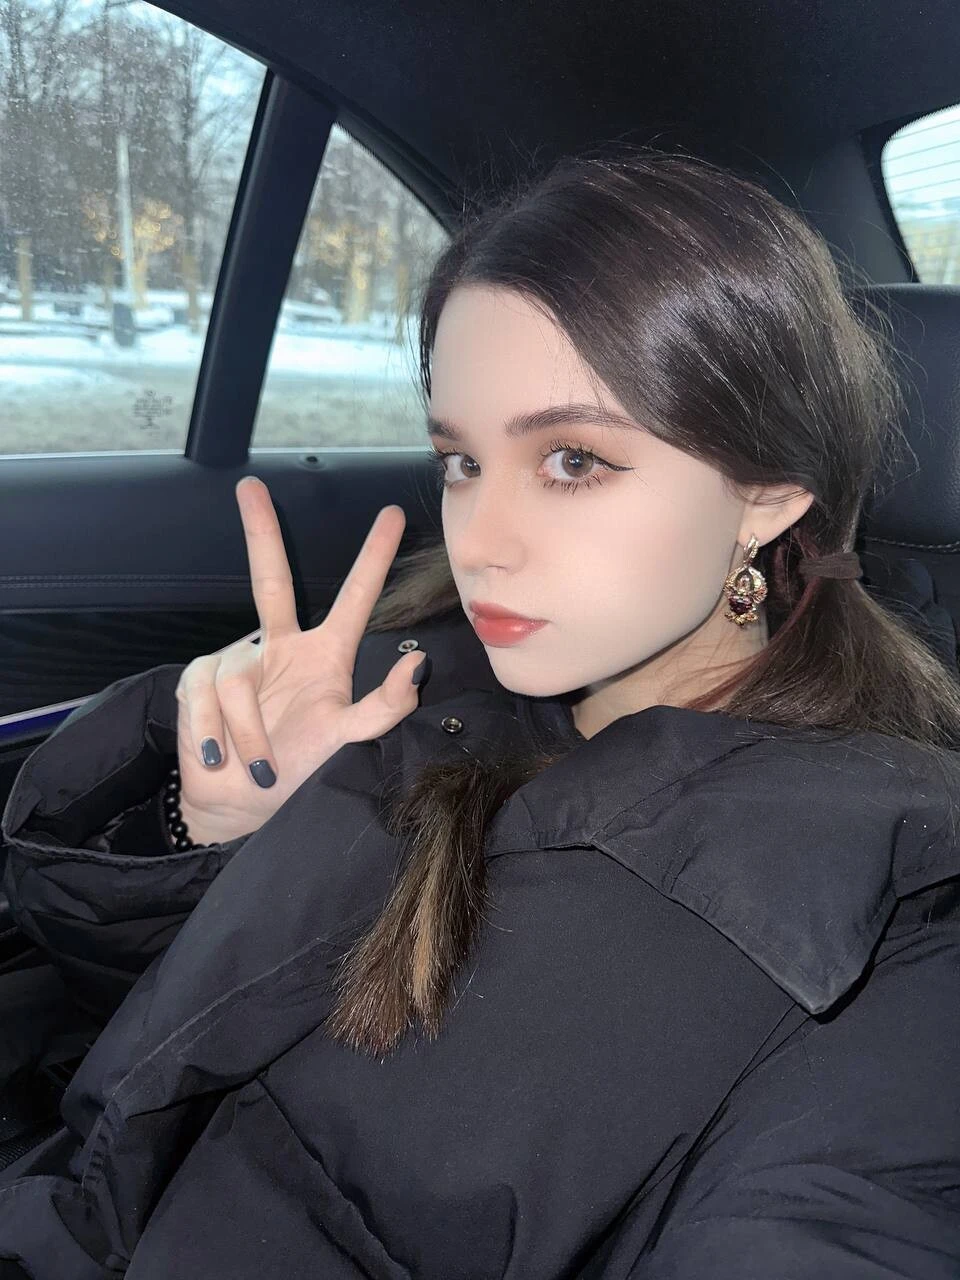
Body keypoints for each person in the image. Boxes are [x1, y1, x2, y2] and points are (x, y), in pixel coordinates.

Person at [1, 144, 959, 1279]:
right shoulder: (413, 678)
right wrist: (222, 838)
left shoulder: (895, 911)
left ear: (768, 495)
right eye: (460, 460)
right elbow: (150, 1083)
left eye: (572, 459)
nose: (480, 540)